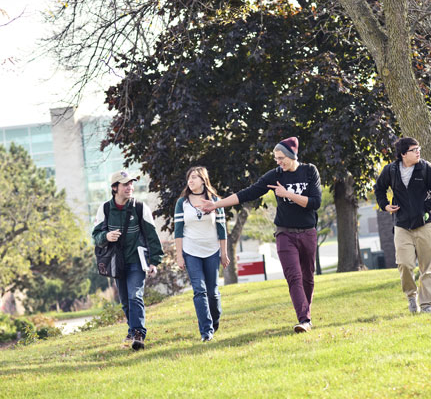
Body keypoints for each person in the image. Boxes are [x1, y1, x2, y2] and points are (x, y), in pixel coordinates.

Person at [200, 137, 321, 333]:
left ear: (292, 155)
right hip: (285, 232)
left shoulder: (309, 171)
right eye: (276, 159)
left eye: (281, 158)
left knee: (308, 276)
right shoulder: (275, 175)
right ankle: (304, 320)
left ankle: (306, 314)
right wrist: (216, 204)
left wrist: (287, 194)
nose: (278, 162)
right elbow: (248, 193)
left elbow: (315, 203)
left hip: (308, 232)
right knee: (294, 276)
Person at [92, 170, 164, 350]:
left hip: (137, 261)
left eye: (131, 184)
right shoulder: (105, 209)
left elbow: (152, 236)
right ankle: (131, 330)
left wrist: (154, 261)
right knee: (125, 300)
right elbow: (95, 236)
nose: (130, 187)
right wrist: (106, 236)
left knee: (135, 295)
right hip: (116, 262)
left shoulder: (140, 207)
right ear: (115, 188)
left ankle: (139, 333)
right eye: (125, 184)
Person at [374, 137, 431, 314]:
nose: (418, 152)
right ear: (403, 154)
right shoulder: (391, 170)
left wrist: (423, 208)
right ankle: (411, 297)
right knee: (405, 264)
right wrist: (385, 205)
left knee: (426, 267)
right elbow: (379, 188)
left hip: (425, 225)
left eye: (418, 148)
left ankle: (427, 305)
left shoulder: (426, 168)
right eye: (414, 149)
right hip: (402, 226)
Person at [174, 166, 229, 342]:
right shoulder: (181, 203)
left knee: (212, 292)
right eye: (189, 178)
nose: (191, 181)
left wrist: (224, 253)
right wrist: (179, 255)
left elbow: (222, 229)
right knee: (199, 290)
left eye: (195, 178)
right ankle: (206, 331)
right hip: (191, 252)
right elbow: (178, 231)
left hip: (212, 251)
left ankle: (215, 321)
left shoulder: (215, 201)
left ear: (204, 181)